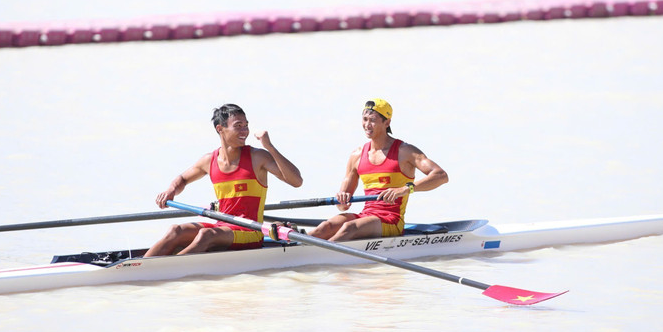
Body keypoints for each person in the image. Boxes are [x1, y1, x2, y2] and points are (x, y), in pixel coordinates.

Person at [144, 104, 303, 257]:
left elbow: (296, 181)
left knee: (206, 235)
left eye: (246, 125)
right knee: (175, 231)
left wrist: (270, 147)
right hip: (222, 226)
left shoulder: (257, 157)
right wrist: (170, 190)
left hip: (250, 231)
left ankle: (168, 270)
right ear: (220, 129)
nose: (245, 131)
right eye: (238, 126)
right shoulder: (209, 161)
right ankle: (138, 266)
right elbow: (182, 179)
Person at [308, 99, 448, 242]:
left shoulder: (405, 152)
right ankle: (298, 250)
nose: (367, 125)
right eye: (365, 119)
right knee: (325, 227)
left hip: (391, 220)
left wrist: (406, 189)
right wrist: (342, 200)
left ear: (387, 123)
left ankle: (316, 259)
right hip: (366, 215)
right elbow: (342, 206)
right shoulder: (356, 155)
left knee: (349, 228)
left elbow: (441, 176)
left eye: (373, 120)